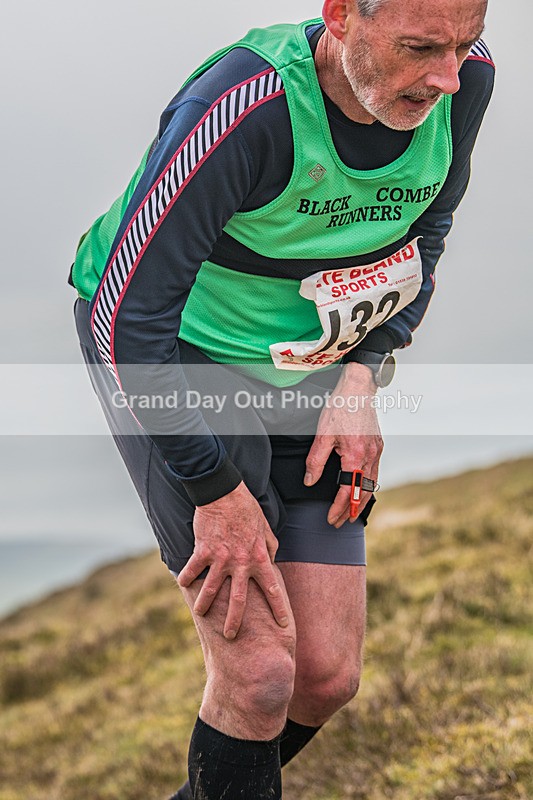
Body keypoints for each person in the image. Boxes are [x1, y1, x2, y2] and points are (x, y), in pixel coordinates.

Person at [70, 0, 494, 796]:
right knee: (260, 673)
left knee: (324, 676)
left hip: (314, 367)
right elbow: (128, 320)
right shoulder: (245, 111)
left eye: (465, 45)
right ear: (340, 15)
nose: (446, 76)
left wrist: (363, 373)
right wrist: (212, 489)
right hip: (181, 360)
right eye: (419, 47)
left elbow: (424, 231)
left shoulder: (462, 83)